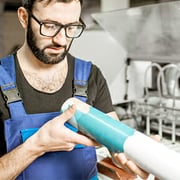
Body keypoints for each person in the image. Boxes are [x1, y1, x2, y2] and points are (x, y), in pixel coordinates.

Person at [0, 0, 152, 179]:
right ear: (24, 18)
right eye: (49, 26)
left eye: (71, 27)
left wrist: (129, 155)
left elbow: (115, 138)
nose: (61, 40)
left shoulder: (90, 76)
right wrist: (37, 145)